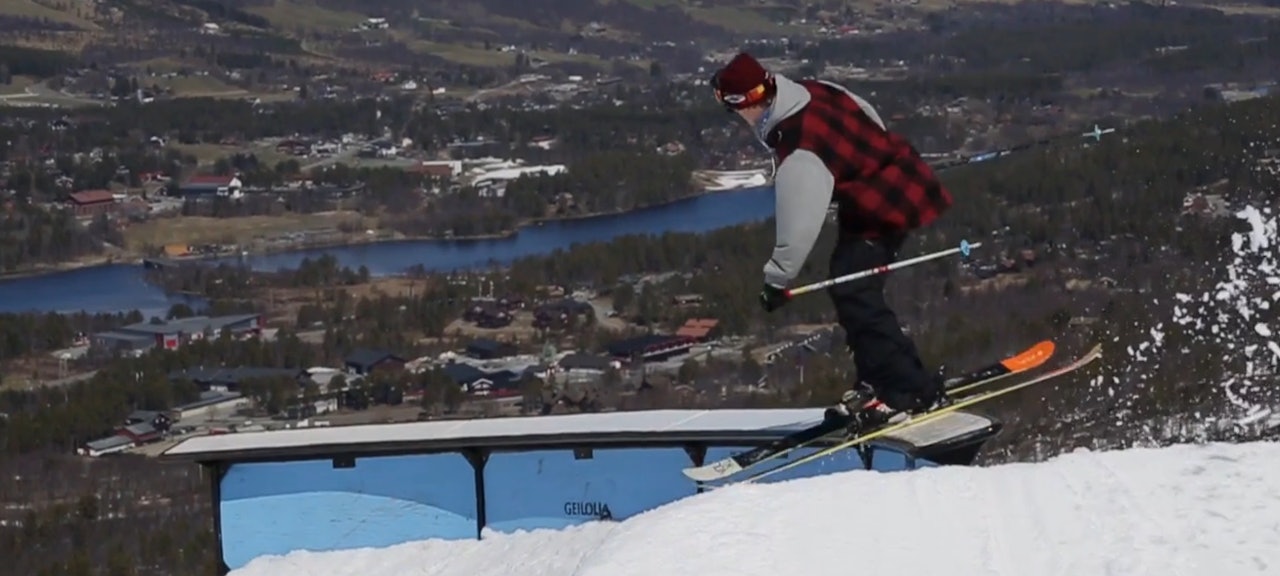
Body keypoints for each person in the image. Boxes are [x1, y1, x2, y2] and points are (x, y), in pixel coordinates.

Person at [710, 52, 954, 432]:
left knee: (856, 291)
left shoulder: (798, 149)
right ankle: (877, 377)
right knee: (847, 281)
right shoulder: (809, 91)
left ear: (744, 103)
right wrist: (868, 159)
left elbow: (798, 225)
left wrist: (776, 281)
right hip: (890, 182)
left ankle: (909, 389)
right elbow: (865, 110)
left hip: (884, 205)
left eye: (729, 106)